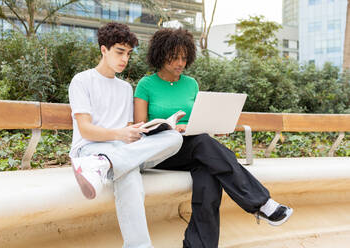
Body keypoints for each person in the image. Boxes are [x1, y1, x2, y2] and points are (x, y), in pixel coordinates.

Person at [134, 28, 293, 248]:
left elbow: (199, 120)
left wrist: (214, 126)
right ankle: (262, 203)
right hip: (161, 151)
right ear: (161, 55)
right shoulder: (146, 85)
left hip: (193, 149)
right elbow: (139, 130)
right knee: (204, 144)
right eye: (174, 58)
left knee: (208, 177)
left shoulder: (191, 84)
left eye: (184, 57)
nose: (180, 63)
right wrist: (170, 128)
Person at [68, 23, 183, 248]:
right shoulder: (82, 81)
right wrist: (120, 134)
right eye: (120, 52)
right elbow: (85, 130)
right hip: (91, 148)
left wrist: (148, 130)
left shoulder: (125, 88)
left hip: (121, 151)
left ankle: (104, 164)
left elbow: (129, 130)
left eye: (128, 54)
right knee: (128, 173)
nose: (125, 59)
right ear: (104, 50)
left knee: (175, 139)